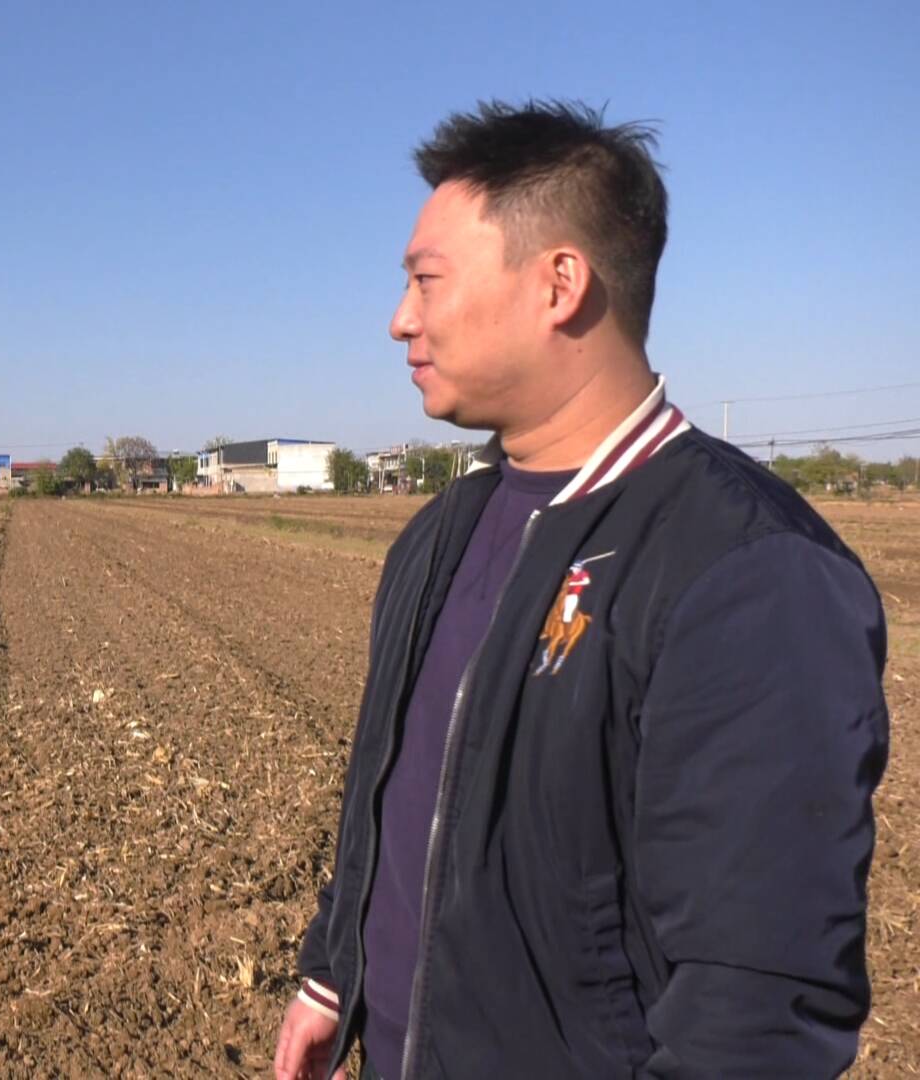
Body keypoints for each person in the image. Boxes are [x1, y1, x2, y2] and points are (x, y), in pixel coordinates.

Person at [272, 101, 888, 1079]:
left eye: (426, 280)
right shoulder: (441, 533)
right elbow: (392, 800)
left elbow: (755, 1008)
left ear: (560, 284)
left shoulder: (749, 570)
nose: (400, 319)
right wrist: (332, 974)